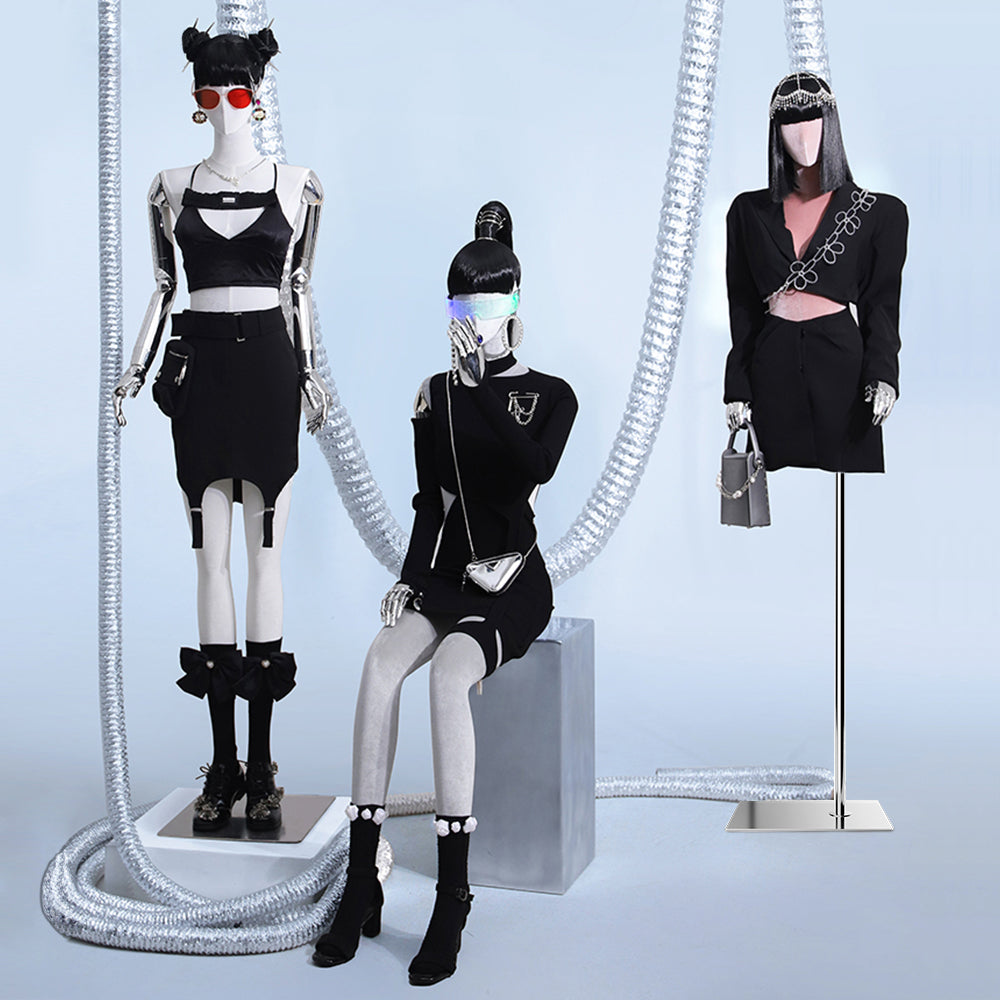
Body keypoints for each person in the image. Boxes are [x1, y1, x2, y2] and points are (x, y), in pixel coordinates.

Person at [312, 201, 577, 985]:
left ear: (515, 305)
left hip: (513, 580)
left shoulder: (551, 394)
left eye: (488, 305)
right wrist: (406, 577)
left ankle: (453, 895)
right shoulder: (432, 394)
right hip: (446, 572)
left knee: (450, 677)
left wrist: (482, 386)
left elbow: (533, 467)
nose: (474, 319)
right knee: (379, 665)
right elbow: (431, 502)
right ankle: (362, 878)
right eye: (462, 305)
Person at [111, 24, 332, 833]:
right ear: (196, 98)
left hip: (270, 368)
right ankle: (223, 762)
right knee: (210, 559)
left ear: (258, 94)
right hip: (202, 371)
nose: (226, 107)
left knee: (264, 555)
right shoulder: (168, 187)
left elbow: (299, 291)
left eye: (238, 91)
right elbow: (162, 287)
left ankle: (263, 764)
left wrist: (311, 375)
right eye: (210, 92)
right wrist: (135, 371)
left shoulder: (299, 185)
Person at [723, 72, 908, 470]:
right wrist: (736, 386)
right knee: (768, 473)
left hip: (841, 361)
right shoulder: (747, 212)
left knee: (842, 463)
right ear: (776, 132)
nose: (803, 135)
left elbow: (880, 305)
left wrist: (884, 375)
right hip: (773, 361)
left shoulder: (879, 213)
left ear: (832, 126)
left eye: (813, 120)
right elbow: (742, 306)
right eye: (790, 124)